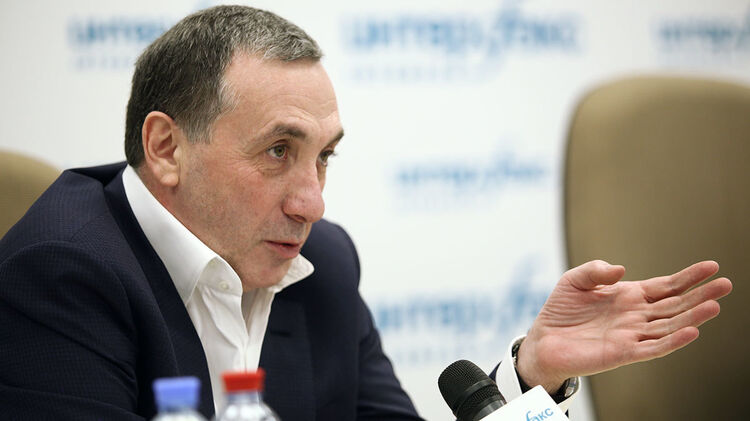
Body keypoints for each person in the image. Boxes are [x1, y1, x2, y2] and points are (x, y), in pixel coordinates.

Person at [0, 5, 732, 420]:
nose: (312, 202)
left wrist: (529, 374)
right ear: (166, 148)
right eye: (279, 151)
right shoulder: (62, 274)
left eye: (324, 156)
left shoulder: (320, 264)